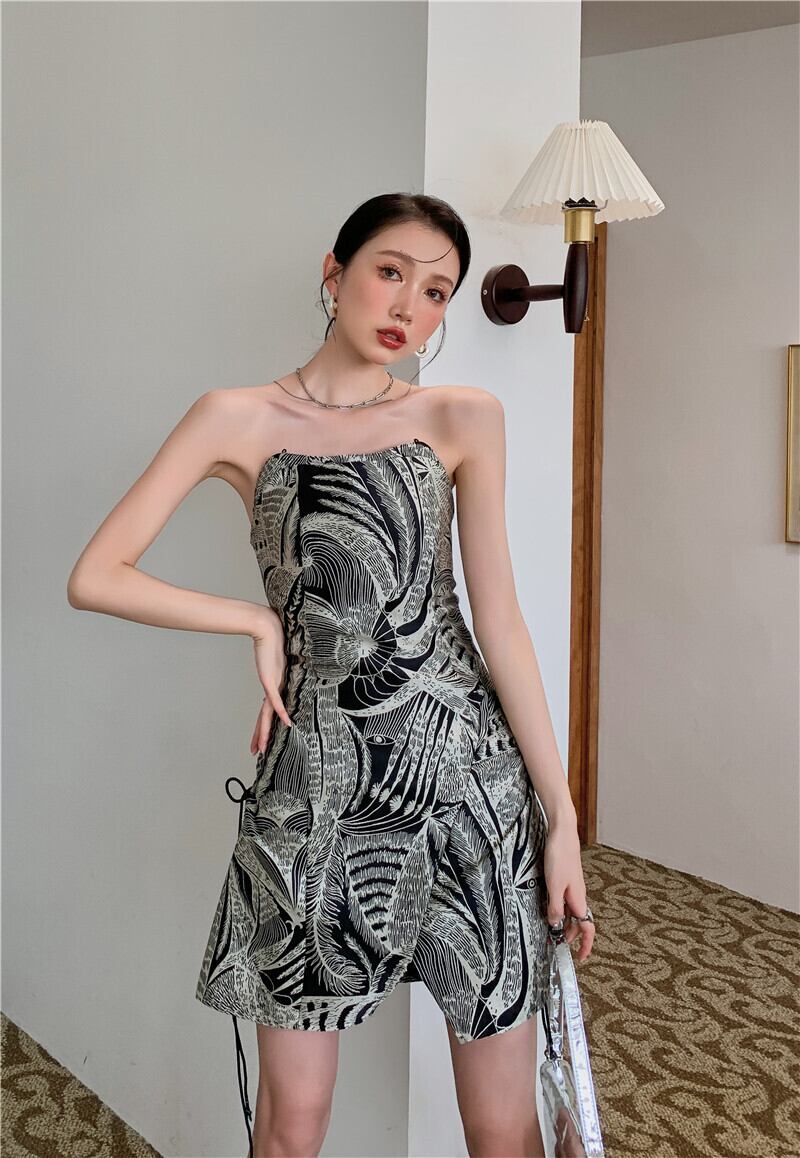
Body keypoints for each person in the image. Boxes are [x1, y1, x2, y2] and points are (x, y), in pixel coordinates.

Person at [67, 191, 595, 1158]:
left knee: (501, 1125)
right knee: (293, 1124)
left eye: (436, 292)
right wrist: (253, 620)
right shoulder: (234, 417)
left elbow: (503, 626)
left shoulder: (462, 416)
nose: (408, 307)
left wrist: (559, 819)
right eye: (391, 272)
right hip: (314, 789)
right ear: (335, 272)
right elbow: (96, 575)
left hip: (470, 784)